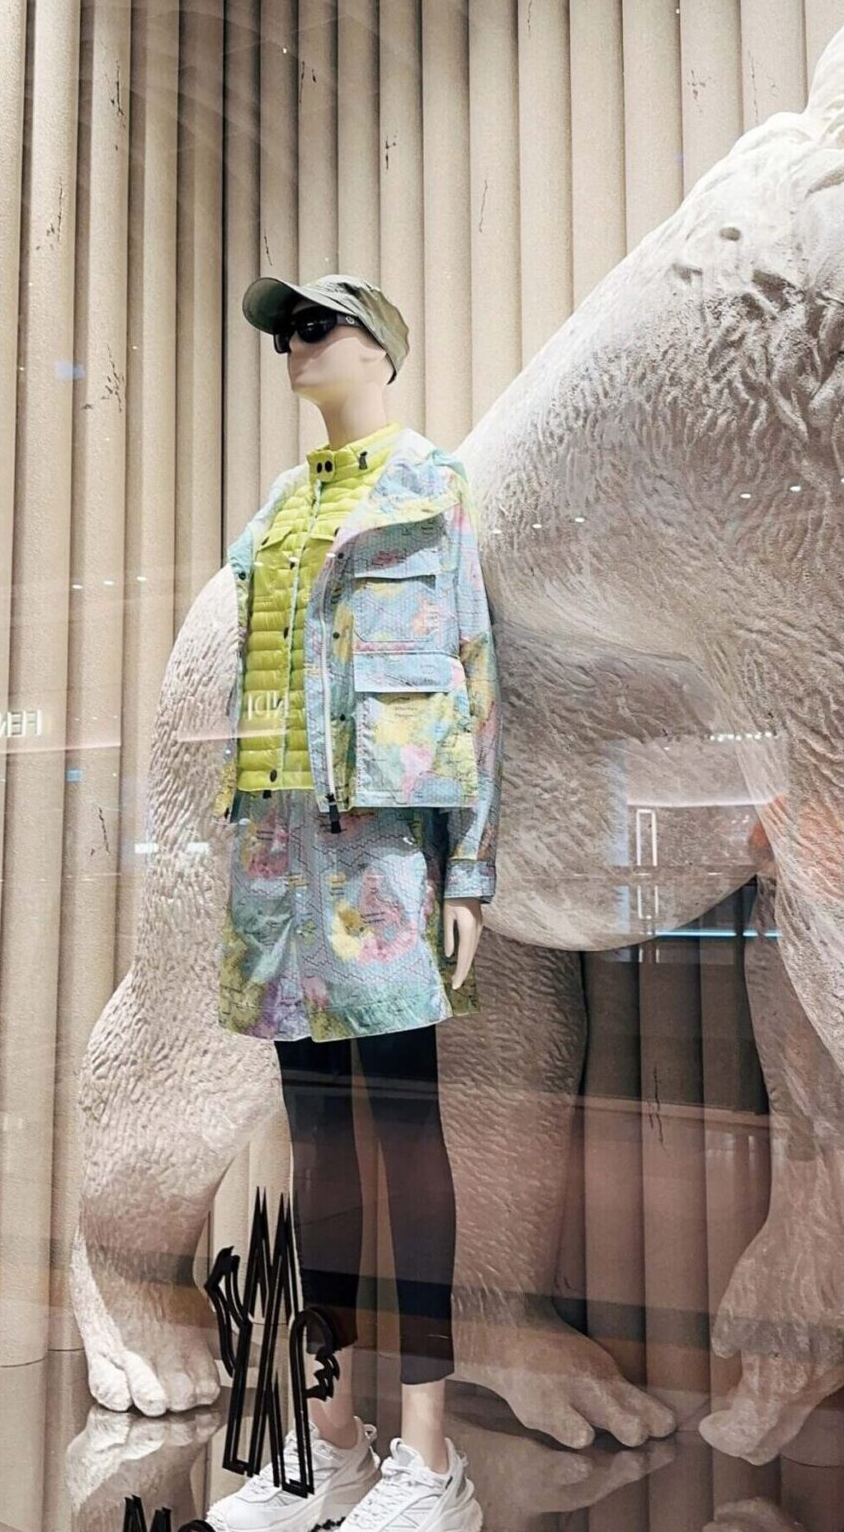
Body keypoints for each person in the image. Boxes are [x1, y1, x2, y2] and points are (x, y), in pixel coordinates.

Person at [206, 272, 501, 1532]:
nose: (294, 343)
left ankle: (431, 1460)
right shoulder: (274, 514)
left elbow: (478, 678)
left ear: (379, 345)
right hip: (279, 869)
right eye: (286, 328)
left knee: (408, 1141)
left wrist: (469, 870)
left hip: (385, 861)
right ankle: (331, 1439)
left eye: (317, 324)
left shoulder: (432, 489)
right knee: (314, 1148)